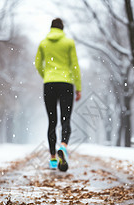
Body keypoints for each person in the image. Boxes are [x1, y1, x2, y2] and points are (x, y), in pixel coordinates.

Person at [34, 18, 81, 172]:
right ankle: (64, 146)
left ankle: (53, 159)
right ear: (62, 28)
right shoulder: (68, 43)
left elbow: (37, 64)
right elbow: (75, 66)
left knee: (52, 121)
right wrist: (78, 87)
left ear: (51, 28)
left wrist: (47, 76)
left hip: (49, 84)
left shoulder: (43, 43)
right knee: (65, 119)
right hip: (66, 83)